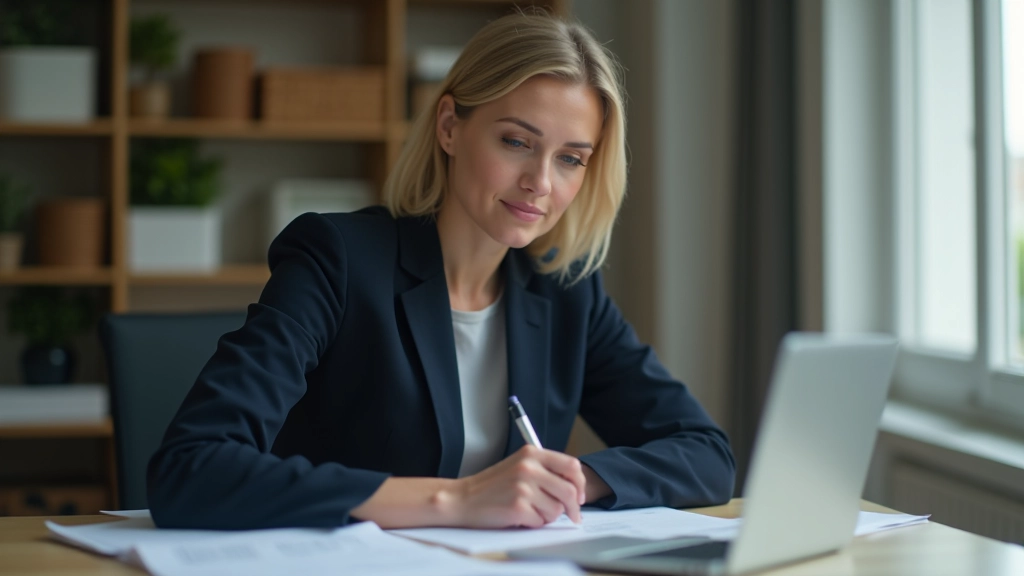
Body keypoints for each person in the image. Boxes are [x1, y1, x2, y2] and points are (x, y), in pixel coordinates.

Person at [147, 11, 735, 531]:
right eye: (515, 142)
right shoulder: (339, 260)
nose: (541, 183)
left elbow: (706, 454)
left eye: (571, 159)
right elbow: (191, 467)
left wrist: (568, 480)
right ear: (450, 126)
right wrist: (454, 501)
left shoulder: (565, 291)